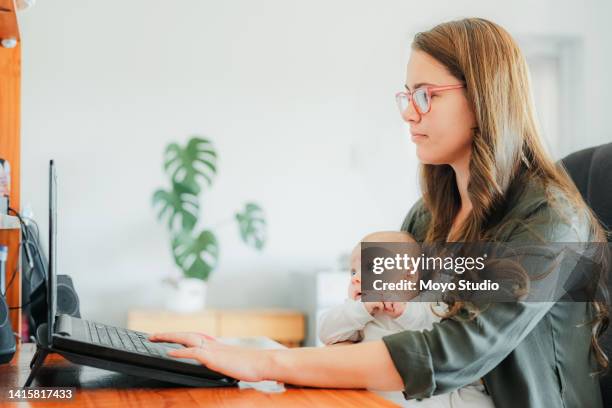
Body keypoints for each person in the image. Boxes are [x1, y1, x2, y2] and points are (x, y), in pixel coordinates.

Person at [149, 17, 609, 408]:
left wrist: (267, 360)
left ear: (485, 98)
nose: (409, 113)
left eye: (427, 95)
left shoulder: (551, 219)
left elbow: (454, 351)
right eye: (406, 95)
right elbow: (376, 324)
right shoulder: (427, 216)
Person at [317, 230, 494, 407]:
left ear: (409, 275)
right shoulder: (358, 314)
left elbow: (439, 331)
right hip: (377, 398)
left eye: (369, 268)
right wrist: (359, 311)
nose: (355, 279)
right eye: (353, 272)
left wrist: (405, 311)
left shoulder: (429, 305)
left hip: (433, 396)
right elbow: (327, 332)